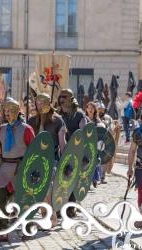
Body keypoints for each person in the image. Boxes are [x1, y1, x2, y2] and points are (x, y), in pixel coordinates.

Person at [0, 98, 35, 244]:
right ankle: (3, 232)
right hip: (4, 166)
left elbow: (34, 152)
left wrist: (31, 170)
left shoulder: (26, 129)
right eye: (5, 111)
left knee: (24, 199)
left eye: (9, 111)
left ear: (16, 111)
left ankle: (27, 229)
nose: (6, 114)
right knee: (0, 199)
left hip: (21, 166)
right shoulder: (1, 129)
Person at [27, 93, 66, 226]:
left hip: (52, 158)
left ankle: (51, 216)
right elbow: (28, 142)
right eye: (38, 103)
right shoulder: (32, 121)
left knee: (47, 188)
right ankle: (46, 215)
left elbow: (62, 143)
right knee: (40, 189)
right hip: (35, 159)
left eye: (43, 102)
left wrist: (65, 160)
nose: (40, 105)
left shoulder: (58, 120)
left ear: (49, 103)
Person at [56, 88, 86, 217]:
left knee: (72, 179)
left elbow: (84, 133)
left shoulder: (79, 115)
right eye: (60, 96)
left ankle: (71, 207)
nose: (62, 99)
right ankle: (57, 206)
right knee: (59, 180)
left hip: (74, 152)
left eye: (64, 97)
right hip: (59, 152)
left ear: (71, 99)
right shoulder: (57, 115)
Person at [85, 102, 105, 188]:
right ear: (86, 109)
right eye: (89, 108)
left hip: (94, 144)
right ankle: (86, 180)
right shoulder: (83, 119)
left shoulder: (97, 121)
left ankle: (94, 179)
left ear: (94, 110)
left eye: (92, 108)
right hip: (85, 144)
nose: (90, 109)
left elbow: (102, 131)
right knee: (85, 162)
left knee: (94, 162)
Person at [97, 102, 114, 183]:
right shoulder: (94, 117)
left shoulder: (108, 118)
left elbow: (111, 129)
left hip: (105, 141)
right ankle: (95, 176)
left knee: (104, 159)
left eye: (102, 109)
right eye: (99, 109)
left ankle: (102, 176)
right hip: (95, 140)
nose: (101, 111)